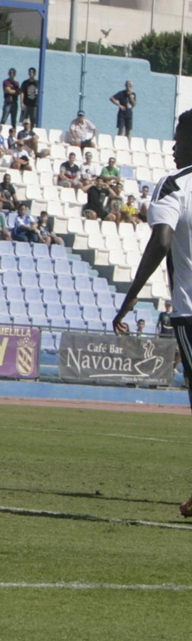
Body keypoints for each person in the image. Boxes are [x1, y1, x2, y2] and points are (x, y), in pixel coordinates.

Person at [112, 110, 192, 515]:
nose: (175, 146)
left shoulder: (175, 184)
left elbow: (161, 242)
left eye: (180, 137)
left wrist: (130, 299)